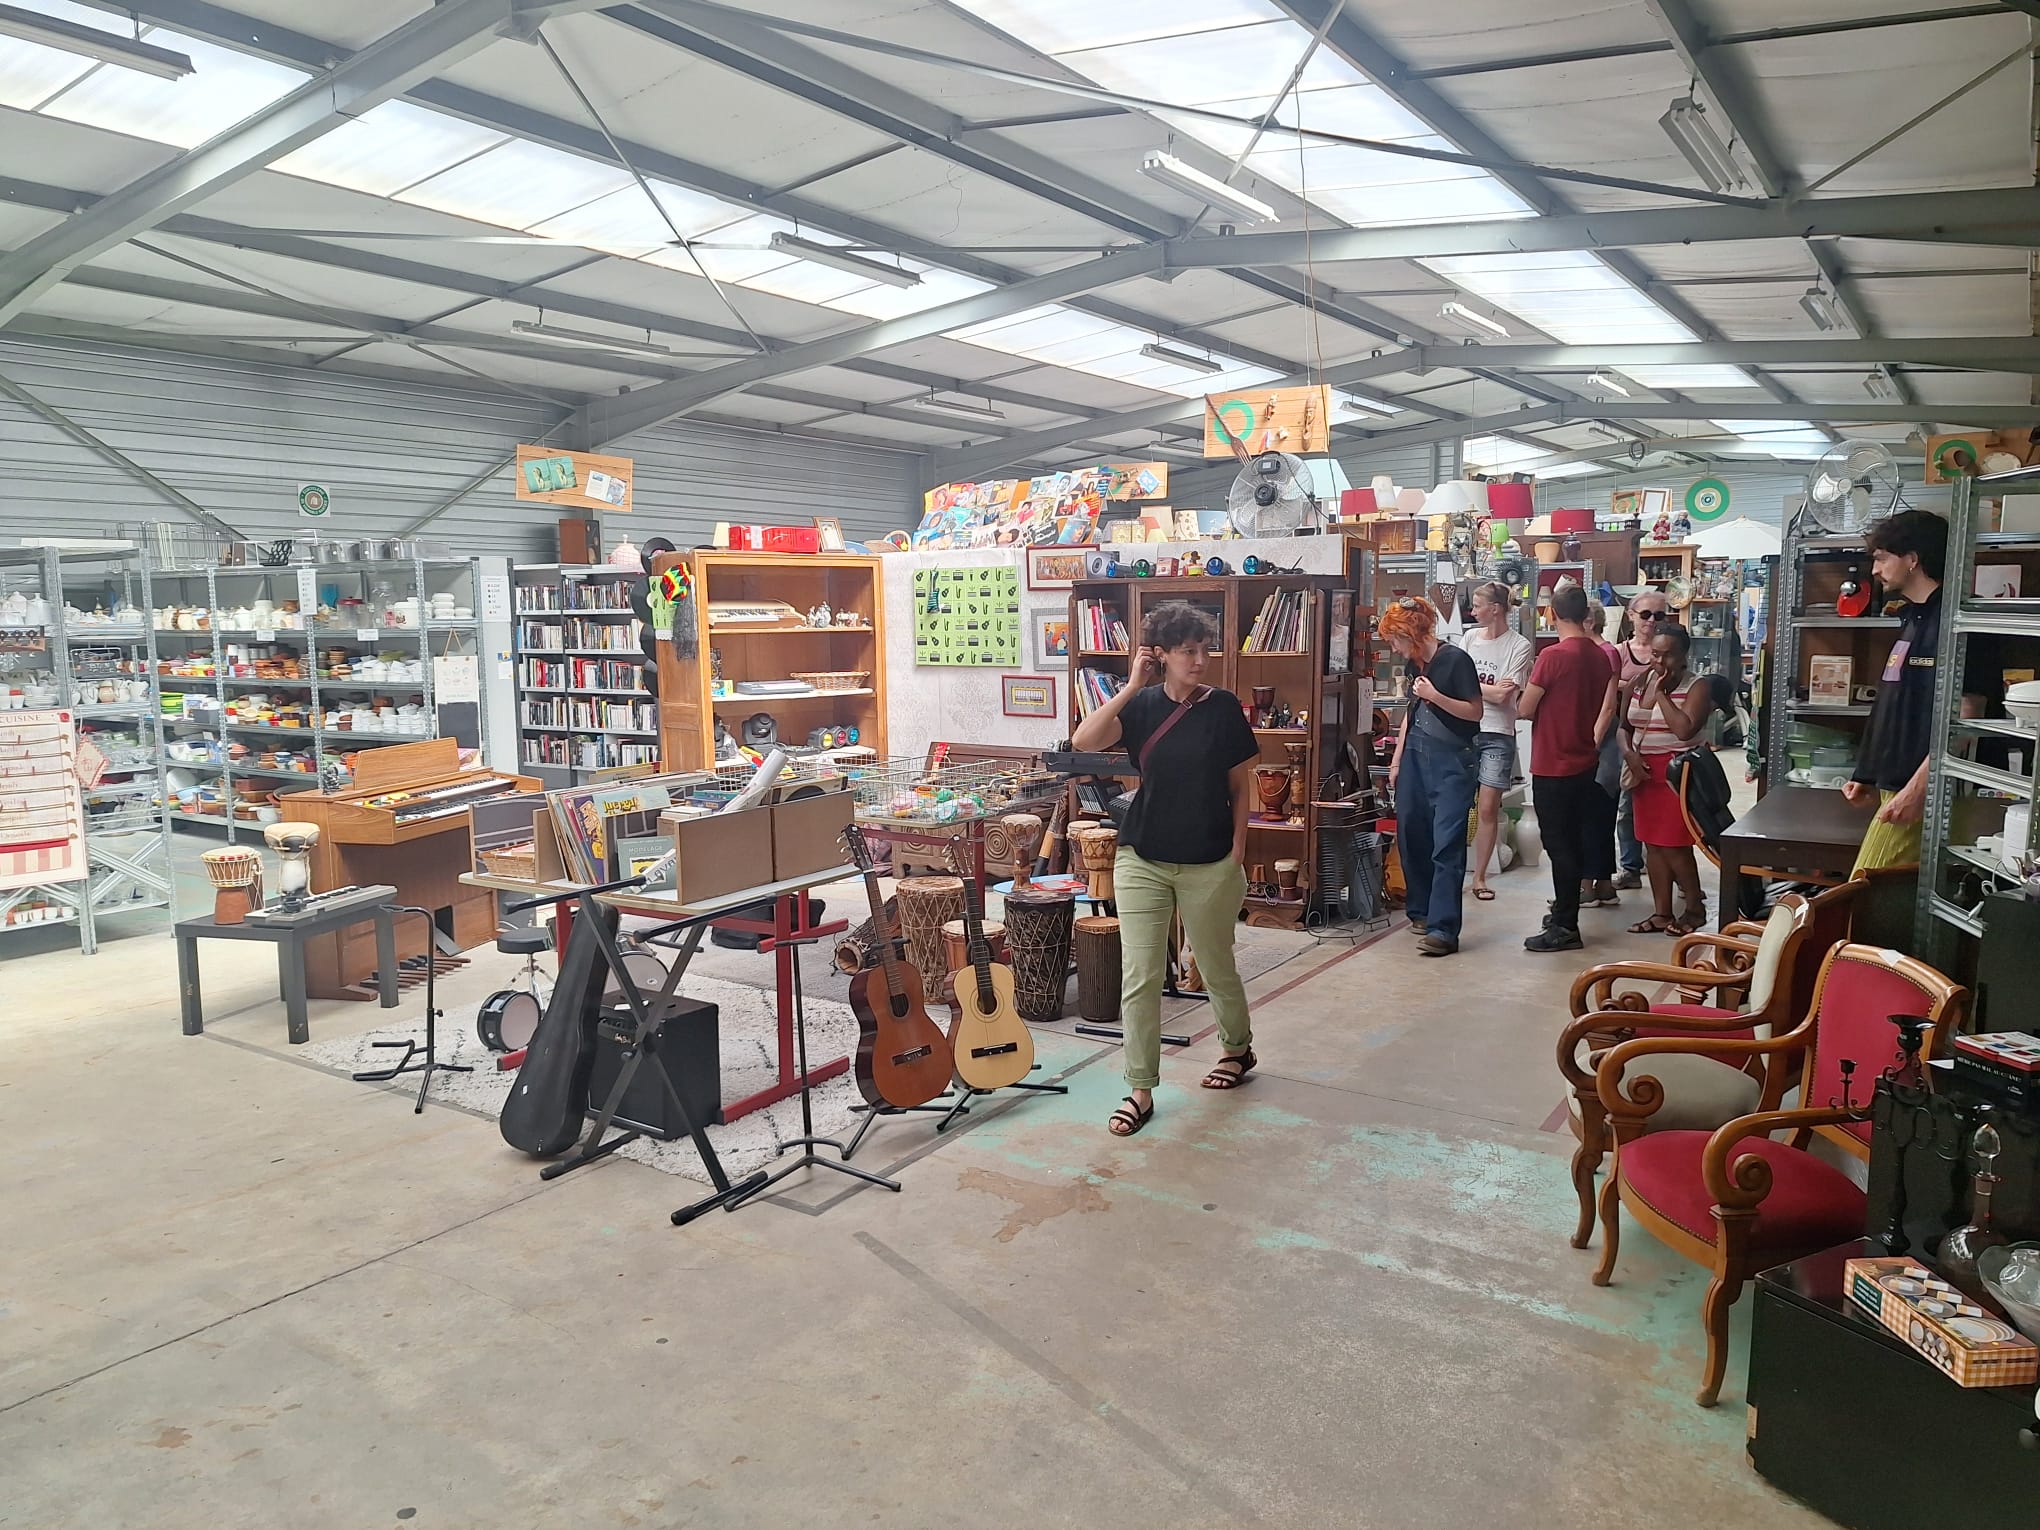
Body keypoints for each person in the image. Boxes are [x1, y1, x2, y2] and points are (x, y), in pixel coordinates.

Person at [1070, 602, 1258, 1137]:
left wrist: (1237, 853)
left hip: (1209, 860)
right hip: (1142, 857)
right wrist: (1131, 685)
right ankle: (1140, 1088)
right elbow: (1084, 742)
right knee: (1141, 975)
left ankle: (1237, 1050)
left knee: (1215, 966)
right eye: (1187, 652)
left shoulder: (1222, 708)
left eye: (1204, 650)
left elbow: (1242, 786)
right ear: (1163, 655)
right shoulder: (1143, 706)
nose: (1200, 661)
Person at [1845, 509, 1948, 875]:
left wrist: (1920, 788)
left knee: (1864, 893)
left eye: (1881, 557)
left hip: (1923, 791)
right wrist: (1868, 774)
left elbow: (1965, 717)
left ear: (1913, 559)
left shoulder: (1952, 623)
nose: (1875, 570)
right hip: (1896, 785)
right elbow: (1895, 706)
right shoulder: (1912, 617)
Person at [1517, 583, 1619, 952]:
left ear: (1553, 614)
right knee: (1574, 839)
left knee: (1558, 845)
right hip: (1583, 758)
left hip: (1552, 761)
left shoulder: (1552, 656)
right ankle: (1566, 908)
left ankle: (1565, 925)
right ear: (1586, 616)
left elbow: (1526, 708)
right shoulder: (1600, 656)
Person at [1382, 597, 1484, 956]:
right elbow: (1411, 713)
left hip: (1453, 761)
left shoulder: (1456, 660)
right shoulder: (1416, 665)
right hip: (1414, 758)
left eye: (1395, 639)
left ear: (1409, 633)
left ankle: (1444, 929)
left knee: (1447, 843)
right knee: (1412, 834)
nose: (1393, 648)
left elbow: (1474, 712)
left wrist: (1435, 695)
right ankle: (1421, 912)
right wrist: (1396, 760)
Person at [1618, 620, 1714, 935]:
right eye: (1655, 654)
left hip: (1678, 775)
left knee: (1675, 845)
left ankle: (1694, 909)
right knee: (1652, 845)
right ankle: (1661, 913)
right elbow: (1623, 728)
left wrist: (1660, 694)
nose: (1659, 662)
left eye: (1667, 655)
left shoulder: (1697, 685)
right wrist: (1630, 755)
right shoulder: (1637, 681)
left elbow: (1685, 729)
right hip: (1643, 774)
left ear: (1684, 654)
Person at [1455, 581, 1534, 903]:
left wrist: (1471, 685)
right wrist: (1484, 689)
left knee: (1488, 807)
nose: (1472, 612)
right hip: (1464, 728)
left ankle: (1481, 876)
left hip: (1497, 733)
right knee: (1457, 806)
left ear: (1496, 608)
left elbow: (1504, 696)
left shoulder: (1519, 644)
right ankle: (1455, 872)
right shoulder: (1470, 638)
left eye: (1477, 605)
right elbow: (1455, 683)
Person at [1612, 590, 1671, 890]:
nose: (1651, 621)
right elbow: (1609, 687)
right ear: (1632, 615)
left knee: (1668, 805)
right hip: (1630, 735)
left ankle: (1669, 866)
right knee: (1627, 804)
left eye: (1658, 615)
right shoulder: (1620, 651)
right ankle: (1631, 866)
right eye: (1645, 614)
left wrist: (1628, 684)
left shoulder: (1671, 649)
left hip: (1666, 738)